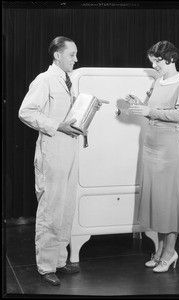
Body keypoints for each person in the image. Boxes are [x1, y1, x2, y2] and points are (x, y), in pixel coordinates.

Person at [18, 36, 102, 285]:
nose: (76, 59)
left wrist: (89, 107)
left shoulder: (66, 81)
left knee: (66, 208)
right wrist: (58, 126)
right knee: (50, 209)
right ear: (57, 55)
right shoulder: (44, 80)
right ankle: (46, 267)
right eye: (71, 54)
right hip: (52, 150)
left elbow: (67, 112)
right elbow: (26, 112)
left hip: (69, 149)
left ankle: (59, 260)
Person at [125, 41, 179, 273]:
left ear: (170, 59)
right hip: (150, 145)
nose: (154, 66)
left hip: (168, 148)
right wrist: (138, 104)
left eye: (157, 61)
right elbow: (150, 109)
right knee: (156, 201)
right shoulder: (158, 81)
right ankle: (159, 251)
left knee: (169, 202)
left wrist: (149, 112)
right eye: (152, 62)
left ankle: (170, 252)